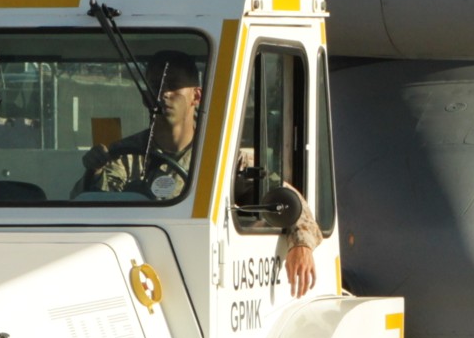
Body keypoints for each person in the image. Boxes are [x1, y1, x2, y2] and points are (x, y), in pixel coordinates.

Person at [85, 51, 319, 295]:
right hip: (135, 272)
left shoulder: (224, 158)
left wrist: (301, 245)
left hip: (203, 275)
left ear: (196, 96)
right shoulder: (124, 155)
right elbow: (91, 208)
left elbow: (289, 202)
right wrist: (95, 170)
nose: (162, 94)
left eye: (173, 85)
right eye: (155, 85)